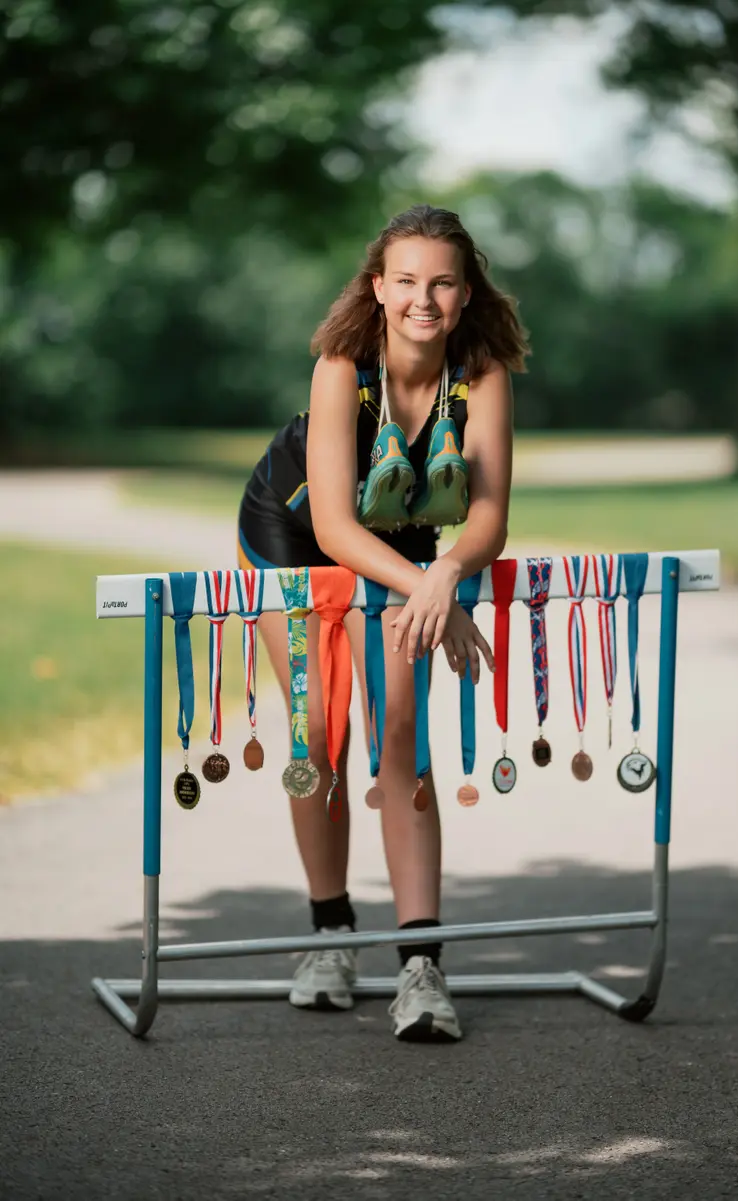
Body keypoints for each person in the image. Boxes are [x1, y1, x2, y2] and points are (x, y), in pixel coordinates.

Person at [238, 204, 529, 1041]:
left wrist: (441, 577)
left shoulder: (482, 372)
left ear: (465, 292)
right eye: (406, 281)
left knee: (400, 728)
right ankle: (331, 933)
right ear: (380, 287)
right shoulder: (343, 364)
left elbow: (488, 517)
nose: (423, 299)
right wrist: (429, 586)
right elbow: (333, 527)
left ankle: (420, 965)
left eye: (441, 282)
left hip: (405, 538)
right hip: (293, 530)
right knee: (319, 731)